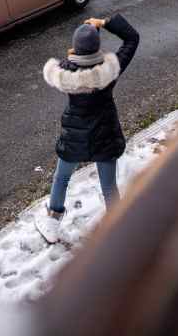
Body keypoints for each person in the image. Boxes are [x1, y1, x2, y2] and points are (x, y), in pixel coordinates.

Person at [35, 14, 140, 244]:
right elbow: (132, 38)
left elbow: (77, 59)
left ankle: (52, 221)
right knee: (109, 187)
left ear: (76, 49)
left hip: (75, 137)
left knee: (61, 178)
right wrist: (103, 24)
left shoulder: (65, 72)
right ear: (97, 48)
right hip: (105, 136)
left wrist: (81, 47)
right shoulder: (109, 71)